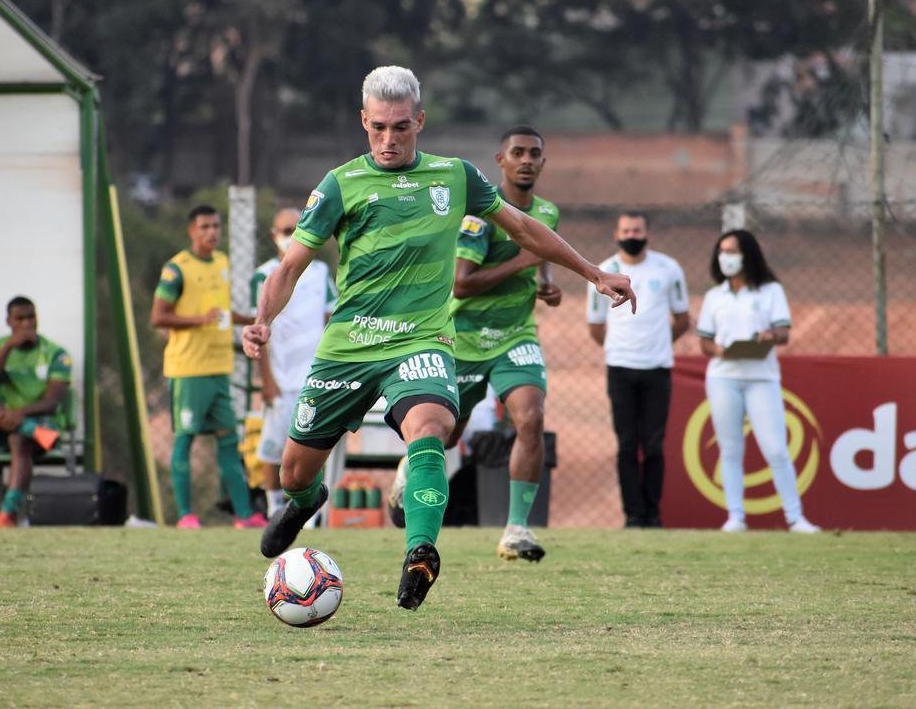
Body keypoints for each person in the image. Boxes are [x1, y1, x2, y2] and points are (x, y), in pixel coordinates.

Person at [242, 66, 635, 611]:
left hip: (421, 341)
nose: (389, 139)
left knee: (429, 429)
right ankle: (304, 501)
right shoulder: (340, 184)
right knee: (293, 472)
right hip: (349, 345)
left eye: (401, 127)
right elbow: (290, 266)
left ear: (419, 121)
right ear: (363, 121)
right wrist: (264, 319)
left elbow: (523, 228)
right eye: (378, 127)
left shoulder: (456, 176)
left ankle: (421, 550)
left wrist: (595, 273)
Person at [441, 125, 563, 563]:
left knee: (530, 418)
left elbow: (542, 267)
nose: (527, 159)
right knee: (448, 434)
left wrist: (547, 285)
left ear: (543, 163)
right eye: (518, 152)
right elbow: (461, 284)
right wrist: (523, 261)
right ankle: (407, 470)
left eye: (535, 153)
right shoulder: (480, 214)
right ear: (502, 161)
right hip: (465, 338)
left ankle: (516, 530)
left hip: (516, 335)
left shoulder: (547, 213)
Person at [696, 229, 819, 533]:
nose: (726, 257)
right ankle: (735, 516)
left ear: (748, 255)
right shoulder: (714, 296)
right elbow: (705, 342)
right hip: (724, 377)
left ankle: (795, 517)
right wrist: (720, 349)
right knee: (730, 448)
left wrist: (768, 336)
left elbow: (783, 332)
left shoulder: (770, 291)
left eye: (733, 251)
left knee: (776, 448)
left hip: (761, 377)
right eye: (722, 251)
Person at [151, 205, 263, 529]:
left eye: (216, 226)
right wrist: (197, 320)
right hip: (188, 370)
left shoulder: (222, 262)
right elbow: (159, 316)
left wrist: (256, 319)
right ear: (191, 230)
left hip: (218, 368)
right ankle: (186, 515)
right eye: (204, 227)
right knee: (185, 439)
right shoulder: (177, 269)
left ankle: (244, 516)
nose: (212, 232)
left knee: (229, 441)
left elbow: (221, 313)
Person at [587, 210, 691, 528]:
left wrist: (658, 343)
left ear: (648, 234)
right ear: (616, 235)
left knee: (655, 443)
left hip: (657, 367)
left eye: (637, 230)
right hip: (620, 367)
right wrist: (620, 347)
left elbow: (682, 319)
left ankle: (652, 514)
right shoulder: (603, 271)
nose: (632, 235)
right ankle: (633, 515)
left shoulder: (668, 268)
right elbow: (595, 326)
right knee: (627, 444)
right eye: (626, 230)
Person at [251, 207, 337, 517]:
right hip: (281, 376)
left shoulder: (320, 272)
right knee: (273, 449)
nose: (291, 236)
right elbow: (258, 328)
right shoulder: (264, 274)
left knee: (313, 445)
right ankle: (275, 507)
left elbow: (331, 316)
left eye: (296, 228)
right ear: (274, 236)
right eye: (285, 230)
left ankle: (310, 509)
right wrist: (267, 380)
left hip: (314, 375)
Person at [0, 296, 70, 529]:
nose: (26, 324)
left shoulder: (55, 353)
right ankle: (28, 429)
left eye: (31, 317)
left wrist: (18, 414)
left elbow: (52, 403)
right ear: (8, 321)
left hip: (42, 423)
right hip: (4, 424)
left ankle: (8, 514)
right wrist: (9, 346)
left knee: (18, 437)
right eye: (20, 318)